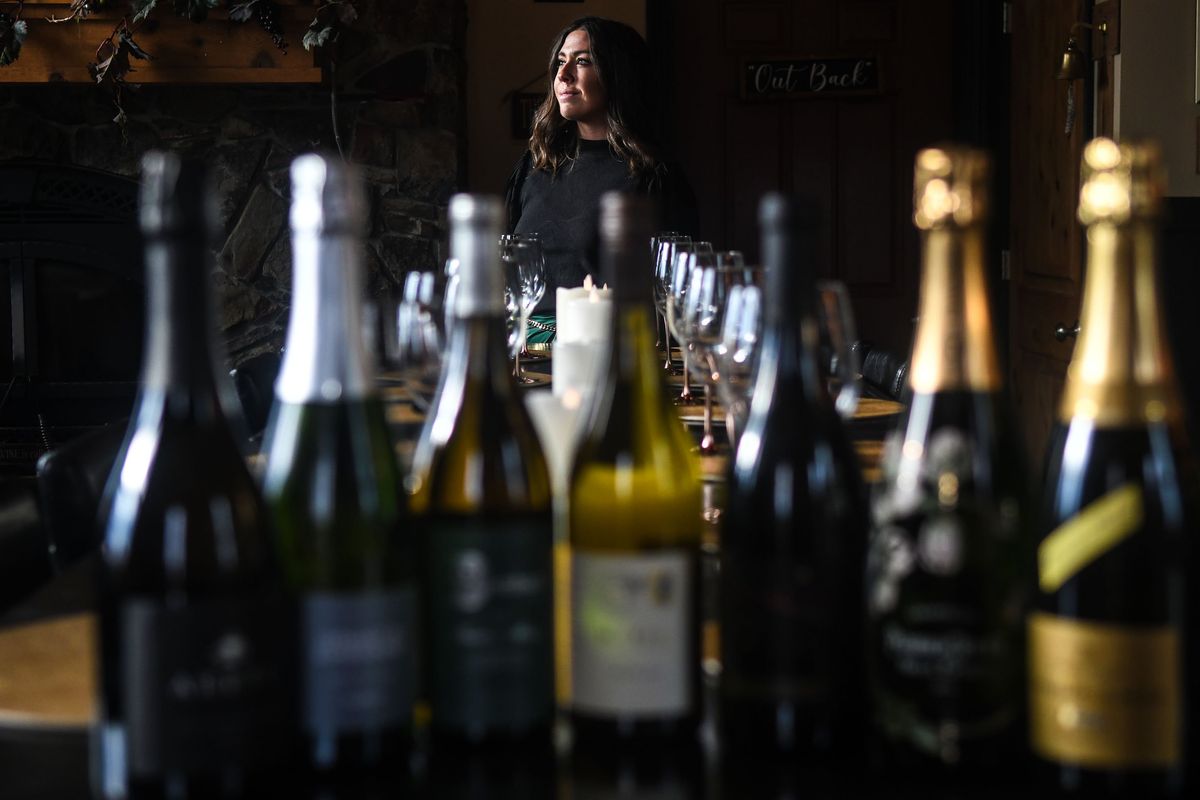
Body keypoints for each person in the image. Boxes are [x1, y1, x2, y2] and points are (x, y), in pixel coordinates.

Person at [505, 16, 698, 342]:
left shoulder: (654, 177)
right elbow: (506, 271)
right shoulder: (534, 165)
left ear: (618, 74)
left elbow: (676, 293)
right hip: (521, 352)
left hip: (606, 349)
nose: (563, 76)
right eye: (560, 62)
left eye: (582, 61)